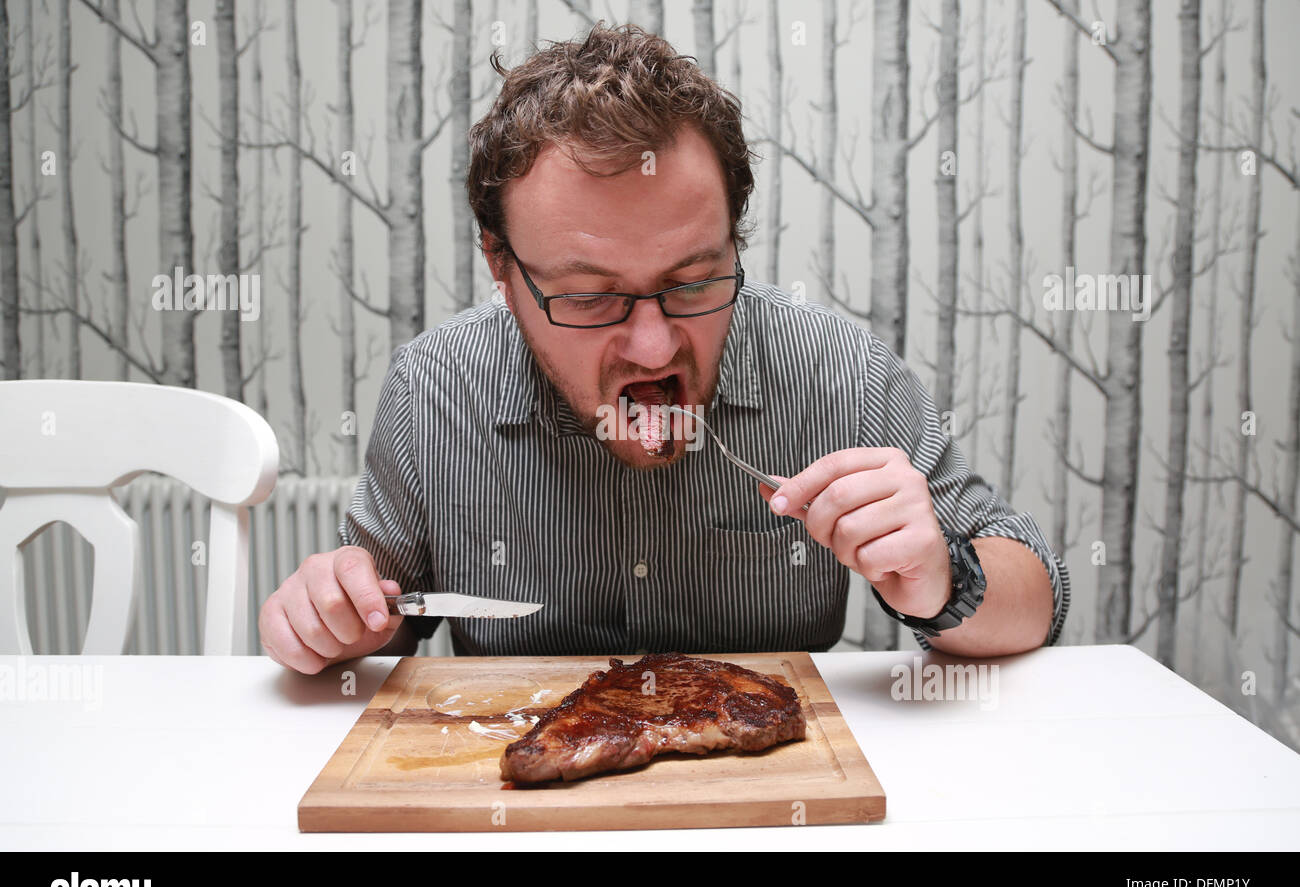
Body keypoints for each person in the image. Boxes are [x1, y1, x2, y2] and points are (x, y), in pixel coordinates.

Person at [258, 23, 1069, 675]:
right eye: (588, 296)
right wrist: (331, 617)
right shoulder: (437, 388)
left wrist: (945, 581)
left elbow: (1037, 595)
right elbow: (376, 629)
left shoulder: (840, 374)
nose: (651, 346)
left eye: (692, 280)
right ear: (501, 268)